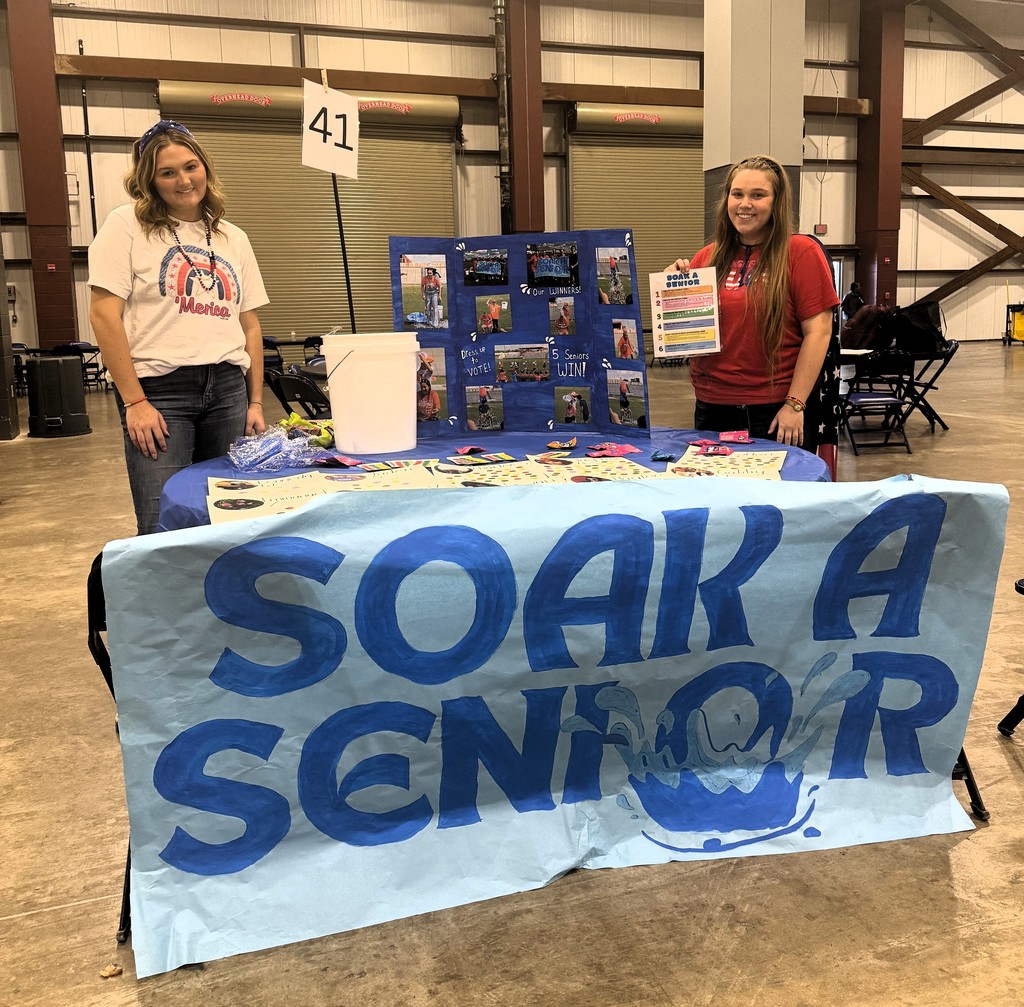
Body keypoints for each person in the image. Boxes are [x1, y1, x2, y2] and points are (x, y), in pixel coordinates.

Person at [88, 119, 268, 535]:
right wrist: (134, 402)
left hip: (227, 389)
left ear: (205, 167)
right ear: (149, 181)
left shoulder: (232, 238)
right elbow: (103, 314)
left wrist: (255, 401)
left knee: (228, 515)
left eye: (191, 167)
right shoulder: (125, 225)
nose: (184, 180)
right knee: (161, 522)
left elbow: (250, 324)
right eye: (167, 172)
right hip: (159, 392)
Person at [669, 154, 837, 451]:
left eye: (757, 195)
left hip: (774, 412)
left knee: (779, 498)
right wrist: (673, 291)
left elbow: (819, 332)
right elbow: (684, 338)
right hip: (712, 408)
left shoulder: (801, 253)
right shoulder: (706, 258)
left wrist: (795, 404)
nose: (744, 204)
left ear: (776, 202)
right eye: (738, 194)